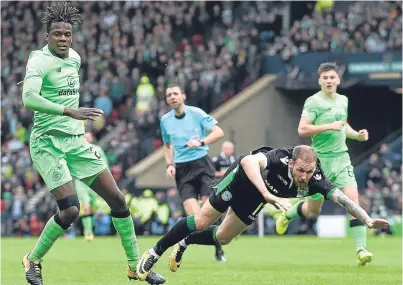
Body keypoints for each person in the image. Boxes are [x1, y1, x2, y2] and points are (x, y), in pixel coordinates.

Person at [20, 3, 165, 285]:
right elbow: (28, 98)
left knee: (119, 201)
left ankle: (135, 266)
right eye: (57, 34)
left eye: (67, 34)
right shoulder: (37, 60)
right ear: (47, 36)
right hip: (47, 143)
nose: (63, 39)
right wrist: (69, 111)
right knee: (71, 210)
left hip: (75, 141)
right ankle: (33, 260)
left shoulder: (75, 58)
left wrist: (75, 118)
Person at [135, 145, 389, 281]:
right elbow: (248, 162)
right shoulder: (278, 158)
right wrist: (267, 194)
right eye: (300, 170)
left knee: (224, 238)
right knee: (201, 220)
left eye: (309, 172)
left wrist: (366, 219)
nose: (304, 177)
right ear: (292, 162)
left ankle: (185, 241)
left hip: (256, 196)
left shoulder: (315, 179)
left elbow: (342, 198)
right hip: (240, 180)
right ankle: (153, 253)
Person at [276, 62, 372, 266]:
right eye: (325, 78)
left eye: (332, 77)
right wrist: (329, 125)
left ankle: (361, 250)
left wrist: (356, 135)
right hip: (319, 162)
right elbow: (302, 129)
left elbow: (342, 125)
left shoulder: (343, 100)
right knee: (313, 210)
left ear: (338, 80)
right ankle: (288, 214)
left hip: (342, 158)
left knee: (353, 201)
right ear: (320, 81)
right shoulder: (313, 102)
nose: (329, 81)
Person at [160, 84, 227, 263]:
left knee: (210, 211)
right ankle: (184, 244)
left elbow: (219, 132)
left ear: (183, 96)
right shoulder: (165, 120)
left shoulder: (196, 113)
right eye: (168, 95)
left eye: (175, 94)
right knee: (197, 220)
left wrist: (201, 142)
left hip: (203, 165)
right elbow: (167, 146)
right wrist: (169, 165)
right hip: (182, 170)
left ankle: (218, 249)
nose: (172, 97)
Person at [74, 132, 107, 241]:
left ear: (92, 138)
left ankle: (90, 229)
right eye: (84, 137)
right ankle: (88, 232)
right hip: (81, 182)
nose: (86, 138)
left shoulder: (98, 150)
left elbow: (104, 164)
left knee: (92, 206)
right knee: (86, 205)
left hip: (94, 181)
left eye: (88, 137)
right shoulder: (78, 149)